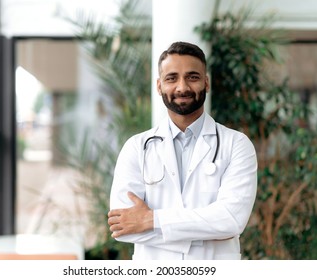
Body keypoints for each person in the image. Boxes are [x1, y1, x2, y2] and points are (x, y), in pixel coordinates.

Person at [108, 41, 257, 260]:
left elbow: (232, 219)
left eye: (192, 77)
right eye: (171, 78)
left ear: (206, 83)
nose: (182, 87)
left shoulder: (236, 144)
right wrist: (207, 230)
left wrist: (151, 220)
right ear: (159, 86)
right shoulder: (136, 147)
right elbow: (123, 227)